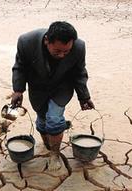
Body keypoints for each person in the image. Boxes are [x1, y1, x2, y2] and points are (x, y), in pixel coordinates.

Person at [10, 21, 95, 171]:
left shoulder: (79, 47)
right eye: (57, 51)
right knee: (42, 121)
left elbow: (79, 73)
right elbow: (20, 67)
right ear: (46, 41)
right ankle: (49, 145)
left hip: (62, 87)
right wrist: (18, 90)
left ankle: (54, 154)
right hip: (38, 87)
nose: (62, 55)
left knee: (54, 119)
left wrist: (84, 97)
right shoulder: (26, 42)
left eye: (66, 52)